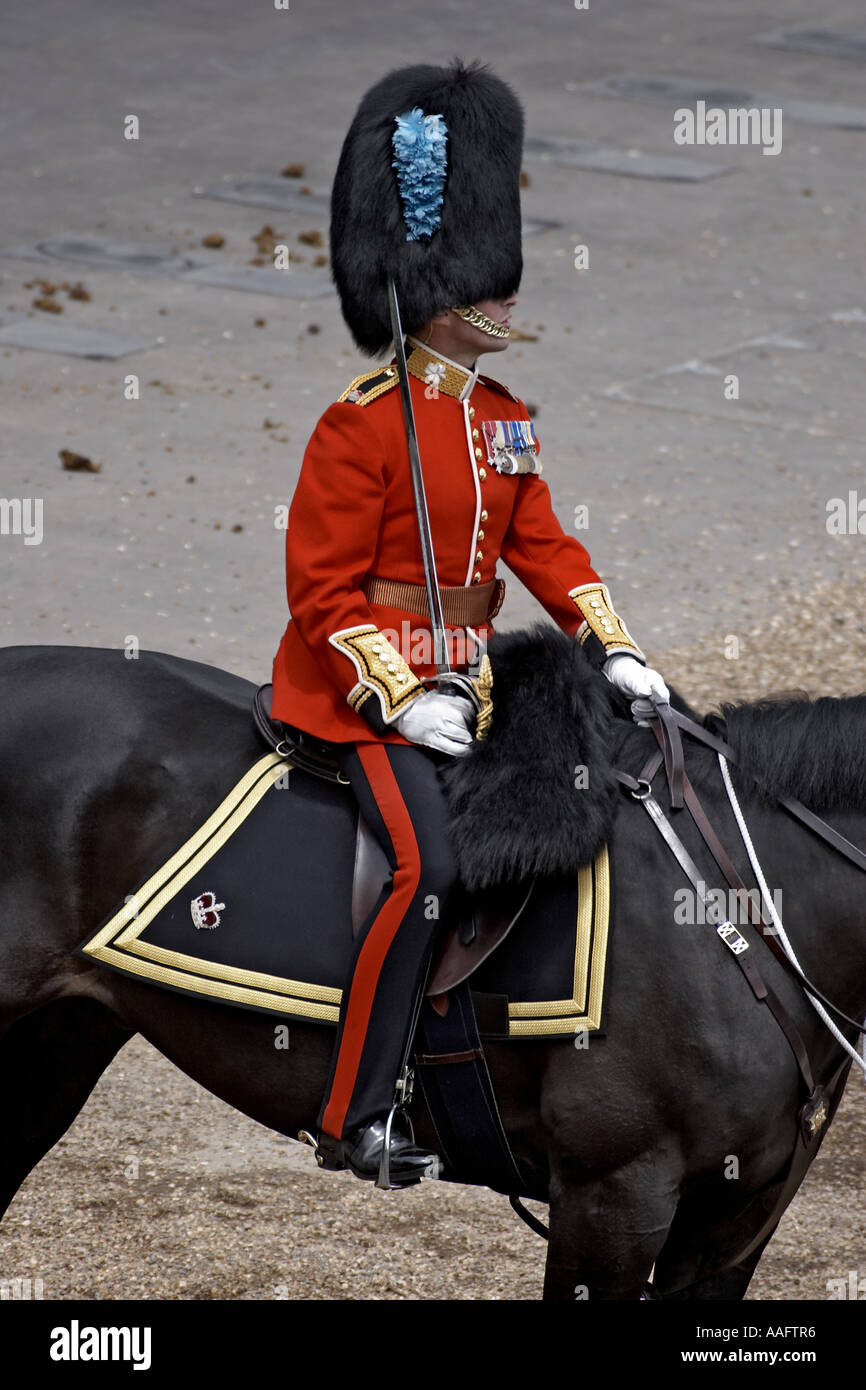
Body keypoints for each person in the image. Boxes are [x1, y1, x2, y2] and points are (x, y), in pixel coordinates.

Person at [270, 60, 668, 1188]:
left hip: (475, 680)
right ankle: (356, 1111)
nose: (508, 302)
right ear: (438, 291)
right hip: (358, 695)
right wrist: (399, 694)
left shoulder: (499, 420)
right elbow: (321, 594)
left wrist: (614, 645)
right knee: (428, 868)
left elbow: (542, 546)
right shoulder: (357, 428)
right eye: (489, 286)